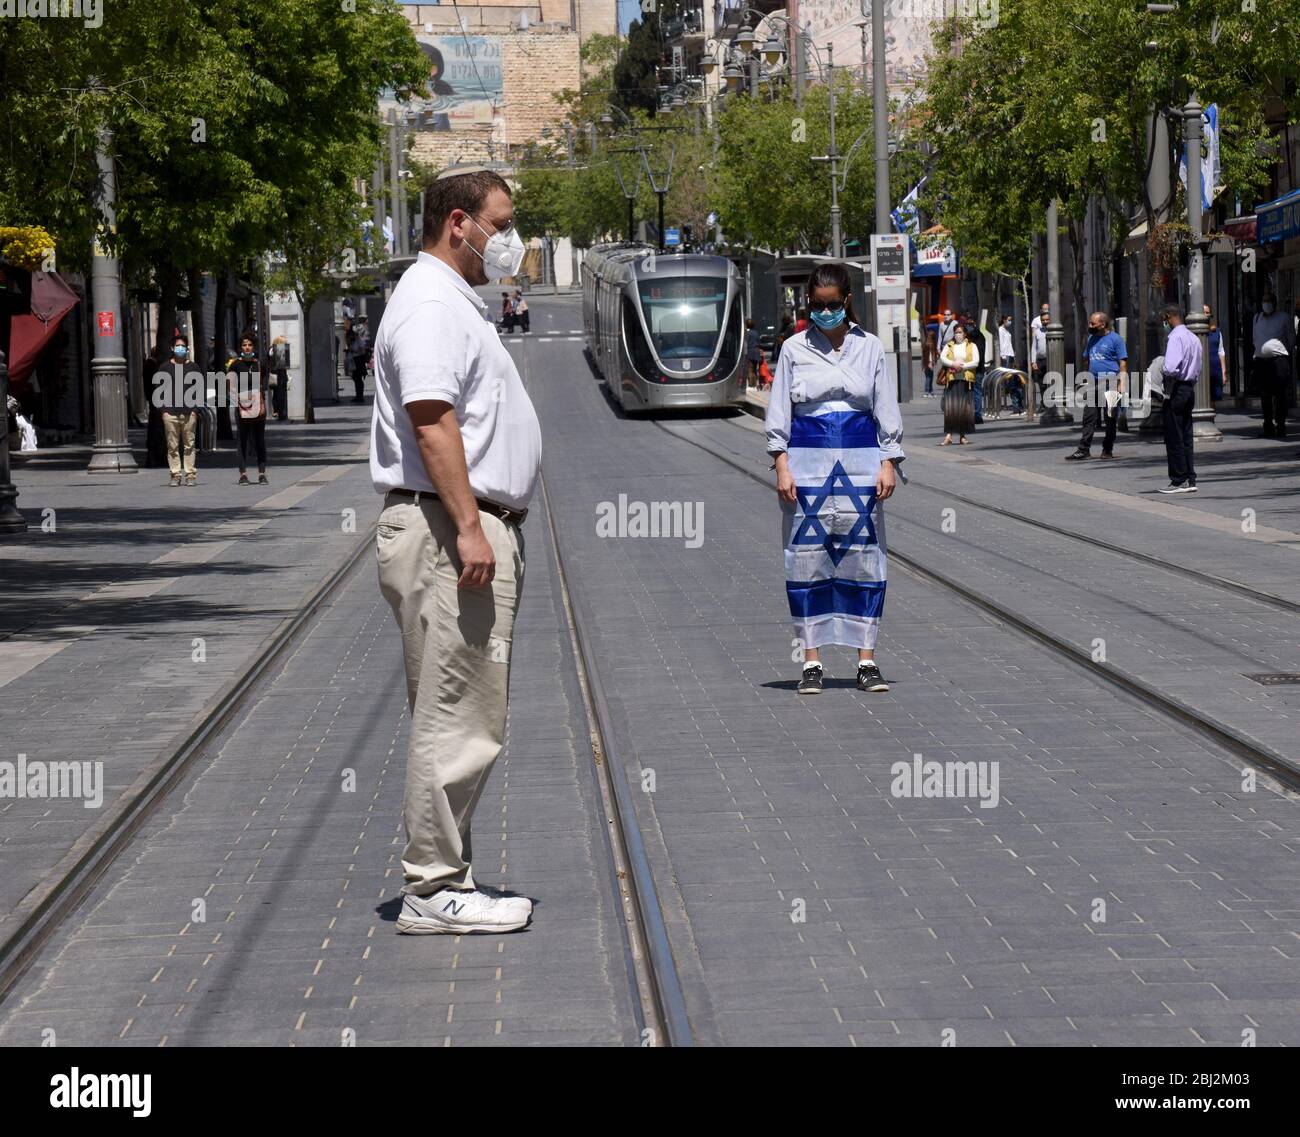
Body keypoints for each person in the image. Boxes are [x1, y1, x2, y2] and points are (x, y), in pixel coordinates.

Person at [371, 167, 541, 935]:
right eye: (501, 225)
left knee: (458, 704)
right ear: (459, 224)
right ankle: (434, 886)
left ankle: (448, 874)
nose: (509, 241)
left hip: (453, 524)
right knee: (456, 710)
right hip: (448, 530)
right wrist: (472, 525)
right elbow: (431, 417)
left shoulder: (449, 301)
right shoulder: (432, 304)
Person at [765, 262, 903, 697]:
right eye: (817, 306)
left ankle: (866, 660)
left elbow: (885, 406)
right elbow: (779, 412)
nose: (825, 313)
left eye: (832, 305)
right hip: (807, 466)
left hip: (861, 465)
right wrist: (781, 462)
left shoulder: (871, 348)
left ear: (847, 302)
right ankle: (812, 661)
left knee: (865, 559)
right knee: (807, 560)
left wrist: (889, 460)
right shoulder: (792, 349)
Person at [1067, 311, 1127, 461]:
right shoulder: (1091, 339)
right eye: (1089, 323)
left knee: (1110, 419)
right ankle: (1084, 449)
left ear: (1103, 324)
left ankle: (1107, 449)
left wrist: (1122, 385)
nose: (1090, 326)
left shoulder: (1116, 339)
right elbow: (1087, 359)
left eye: (1093, 323)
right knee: (1089, 418)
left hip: (1111, 382)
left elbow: (1123, 364)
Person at [1159, 305, 1202, 494]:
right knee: (1186, 435)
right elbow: (1198, 366)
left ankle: (1178, 479)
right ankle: (1190, 477)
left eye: (1164, 319)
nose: (1164, 323)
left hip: (1177, 388)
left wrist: (1163, 372)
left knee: (1174, 435)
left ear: (1169, 316)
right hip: (1189, 388)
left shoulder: (1175, 337)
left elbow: (1170, 367)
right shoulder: (1194, 337)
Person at [228, 333, 269, 485]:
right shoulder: (235, 365)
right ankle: (243, 474)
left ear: (254, 347)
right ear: (240, 347)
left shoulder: (258, 364)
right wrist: (238, 397)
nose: (247, 347)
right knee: (242, 441)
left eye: (250, 345)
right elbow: (230, 385)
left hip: (258, 408)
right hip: (242, 408)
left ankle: (262, 473)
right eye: (244, 345)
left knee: (260, 440)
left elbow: (262, 383)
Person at [1251, 290, 1293, 438]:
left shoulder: (1284, 317)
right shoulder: (1257, 318)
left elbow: (1290, 338)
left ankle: (1281, 426)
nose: (1266, 304)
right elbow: (1255, 338)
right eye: (1264, 301)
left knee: (1281, 395)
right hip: (1262, 362)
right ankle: (1268, 426)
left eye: (1269, 301)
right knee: (1265, 395)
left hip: (1278, 361)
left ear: (1275, 303)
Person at [158, 335, 198, 486]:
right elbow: (159, 391)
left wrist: (195, 410)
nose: (180, 349)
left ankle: (190, 475)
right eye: (178, 346)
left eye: (183, 346)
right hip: (170, 413)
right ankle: (175, 474)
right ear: (172, 348)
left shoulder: (193, 367)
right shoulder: (165, 368)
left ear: (187, 348)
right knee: (172, 446)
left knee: (190, 445)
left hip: (189, 413)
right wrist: (164, 411)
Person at [939, 324, 978, 445]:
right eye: (956, 332)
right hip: (952, 380)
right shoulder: (950, 345)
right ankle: (949, 435)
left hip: (966, 381)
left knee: (964, 409)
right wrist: (952, 364)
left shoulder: (972, 346)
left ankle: (962, 436)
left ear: (965, 334)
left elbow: (976, 361)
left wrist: (962, 367)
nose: (958, 334)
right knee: (951, 409)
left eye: (960, 332)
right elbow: (942, 357)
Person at [998, 315, 1024, 414]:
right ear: (1004, 320)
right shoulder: (1001, 330)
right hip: (1006, 356)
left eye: (1010, 320)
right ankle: (1016, 406)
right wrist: (1002, 355)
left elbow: (1008, 343)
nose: (1010, 322)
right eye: (1008, 320)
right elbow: (1001, 343)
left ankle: (1018, 406)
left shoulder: (1007, 331)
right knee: (1011, 382)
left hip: (1011, 354)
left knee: (1015, 380)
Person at [1030, 301, 1050, 400]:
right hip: (1040, 360)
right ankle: (1044, 402)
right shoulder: (1037, 332)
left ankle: (1051, 402)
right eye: (1043, 320)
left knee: (1051, 382)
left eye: (1047, 320)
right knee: (1041, 383)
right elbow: (1033, 347)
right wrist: (1033, 361)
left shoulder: (1053, 331)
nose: (1045, 322)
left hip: (1050, 360)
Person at [349, 316, 371, 403]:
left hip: (358, 360)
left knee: (358, 379)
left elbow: (362, 350)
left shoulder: (359, 340)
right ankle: (358, 396)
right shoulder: (355, 340)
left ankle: (359, 396)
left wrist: (354, 350)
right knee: (356, 379)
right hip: (355, 360)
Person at [269, 335, 290, 420]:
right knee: (279, 393)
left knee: (276, 393)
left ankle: (276, 411)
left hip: (275, 373)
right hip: (278, 374)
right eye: (284, 342)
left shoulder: (271, 350)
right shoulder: (276, 350)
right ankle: (279, 412)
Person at [744, 317, 762, 386]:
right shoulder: (756, 333)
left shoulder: (747, 333)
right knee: (754, 369)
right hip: (756, 352)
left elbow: (745, 343)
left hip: (750, 352)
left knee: (750, 369)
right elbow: (759, 343)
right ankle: (755, 384)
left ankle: (751, 384)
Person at [921, 329, 938, 398]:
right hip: (928, 363)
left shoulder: (926, 344)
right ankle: (927, 391)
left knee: (929, 377)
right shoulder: (930, 345)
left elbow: (924, 356)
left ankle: (930, 391)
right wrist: (930, 363)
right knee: (929, 378)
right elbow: (929, 356)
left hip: (926, 363)